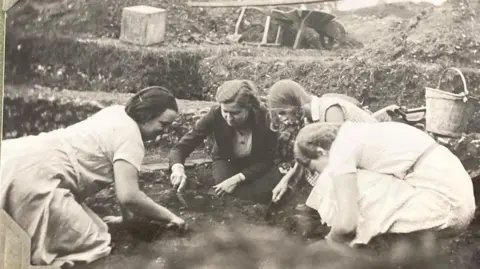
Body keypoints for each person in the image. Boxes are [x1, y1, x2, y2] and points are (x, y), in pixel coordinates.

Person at [0, 86, 187, 268]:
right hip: (35, 180)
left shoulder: (116, 112)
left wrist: (126, 219)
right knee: (95, 243)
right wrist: (170, 217)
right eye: (163, 124)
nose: (165, 130)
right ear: (147, 116)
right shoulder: (132, 140)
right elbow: (129, 195)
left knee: (97, 226)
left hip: (13, 156)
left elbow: (121, 180)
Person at [293, 121, 476, 248]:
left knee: (333, 183)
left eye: (313, 168)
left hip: (446, 205)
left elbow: (347, 224)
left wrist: (329, 243)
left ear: (320, 151)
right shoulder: (355, 132)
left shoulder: (341, 150)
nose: (316, 173)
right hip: (458, 199)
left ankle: (360, 253)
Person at [266, 79, 388, 205]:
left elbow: (342, 159)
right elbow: (305, 157)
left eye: (283, 112)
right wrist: (286, 180)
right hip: (358, 162)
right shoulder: (310, 120)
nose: (282, 118)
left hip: (378, 160)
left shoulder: (330, 110)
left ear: (295, 104)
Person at [168, 79, 281, 204]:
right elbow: (181, 147)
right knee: (224, 193)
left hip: (258, 163)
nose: (229, 118)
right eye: (225, 112)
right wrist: (177, 169)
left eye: (235, 113)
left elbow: (268, 159)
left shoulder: (265, 119)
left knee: (261, 194)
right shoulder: (215, 115)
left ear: (249, 106)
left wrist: (238, 178)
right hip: (227, 160)